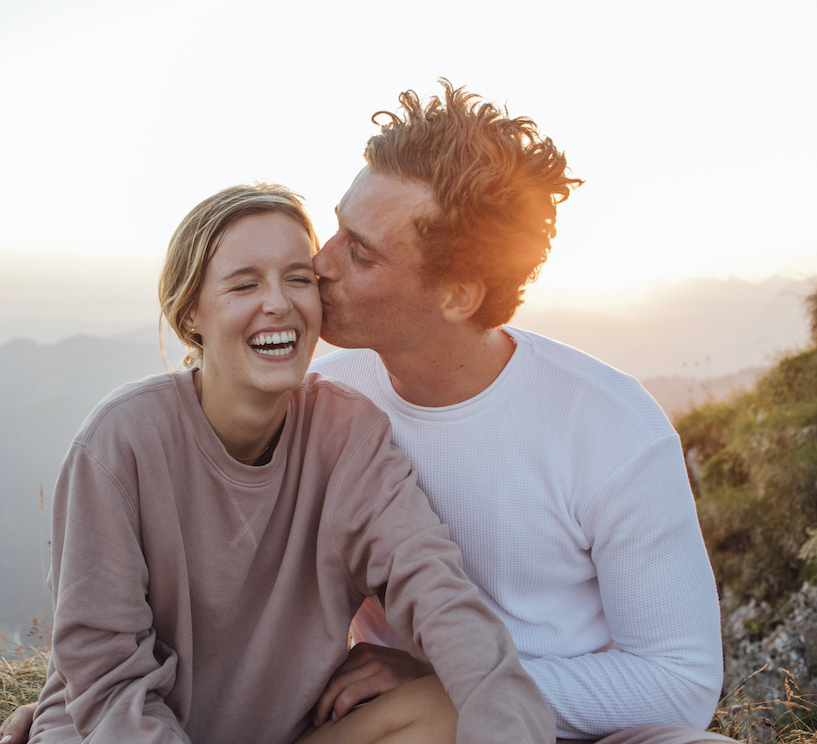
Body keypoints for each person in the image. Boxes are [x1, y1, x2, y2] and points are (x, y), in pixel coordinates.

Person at [1, 183, 553, 744]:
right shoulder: (121, 442)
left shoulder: (348, 434)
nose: (278, 303)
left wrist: (508, 720)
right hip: (122, 735)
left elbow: (435, 588)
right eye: (245, 284)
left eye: (298, 278)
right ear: (191, 311)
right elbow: (106, 677)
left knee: (449, 709)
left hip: (277, 732)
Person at [307, 81, 732, 744]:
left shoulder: (610, 426)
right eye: (336, 229)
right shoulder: (325, 400)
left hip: (575, 727)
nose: (319, 264)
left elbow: (679, 681)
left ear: (456, 295)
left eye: (360, 253)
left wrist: (464, 688)